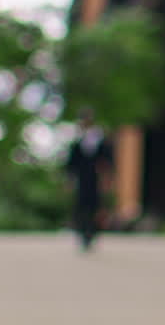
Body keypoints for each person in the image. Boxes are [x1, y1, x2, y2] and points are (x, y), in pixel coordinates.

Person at [65, 108, 112, 251]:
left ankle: (92, 233)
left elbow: (107, 160)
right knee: (81, 207)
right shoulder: (77, 141)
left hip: (95, 179)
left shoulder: (100, 140)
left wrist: (106, 178)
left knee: (95, 207)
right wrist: (69, 179)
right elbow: (71, 163)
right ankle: (83, 233)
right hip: (82, 179)